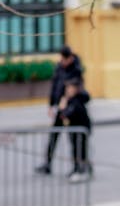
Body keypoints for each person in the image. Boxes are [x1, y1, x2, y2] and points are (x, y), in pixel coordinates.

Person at [35, 45, 84, 175]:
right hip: (59, 109)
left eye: (64, 59)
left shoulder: (76, 69)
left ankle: (77, 167)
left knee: (73, 138)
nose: (62, 61)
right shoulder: (60, 67)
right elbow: (55, 86)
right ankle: (48, 164)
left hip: (70, 110)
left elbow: (75, 89)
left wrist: (65, 102)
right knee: (53, 137)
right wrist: (51, 105)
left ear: (70, 58)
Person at [55, 77, 92, 182]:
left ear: (75, 89)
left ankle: (82, 170)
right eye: (67, 88)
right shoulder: (72, 100)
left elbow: (65, 114)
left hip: (81, 130)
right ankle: (79, 168)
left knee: (81, 151)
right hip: (75, 130)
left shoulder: (76, 101)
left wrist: (62, 107)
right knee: (76, 150)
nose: (67, 90)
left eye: (69, 88)